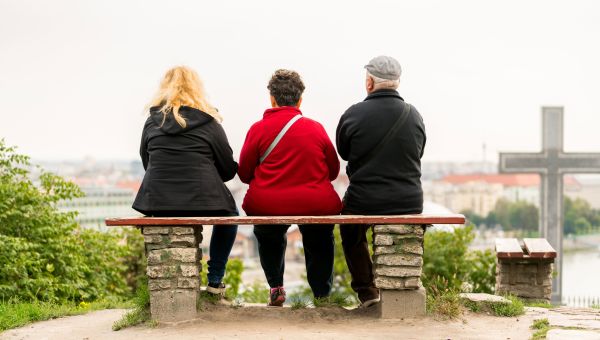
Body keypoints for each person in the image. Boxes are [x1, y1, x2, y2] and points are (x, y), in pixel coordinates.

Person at [238, 69, 342, 306]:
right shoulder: (316, 128)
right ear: (300, 100)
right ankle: (322, 296)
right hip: (315, 203)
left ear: (272, 98)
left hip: (269, 203)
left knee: (269, 236)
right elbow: (334, 171)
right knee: (319, 240)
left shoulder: (258, 129)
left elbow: (244, 174)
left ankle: (276, 287)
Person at [132, 66, 238, 296]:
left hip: (158, 202)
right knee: (230, 219)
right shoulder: (210, 123)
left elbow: (147, 162)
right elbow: (229, 169)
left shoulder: (152, 123)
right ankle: (215, 281)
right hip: (203, 199)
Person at [336, 56, 426, 307]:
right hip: (407, 200)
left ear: (369, 83)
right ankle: (405, 286)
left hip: (364, 199)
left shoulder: (353, 114)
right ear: (397, 83)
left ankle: (367, 292)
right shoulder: (413, 115)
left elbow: (344, 152)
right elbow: (418, 152)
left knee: (351, 231)